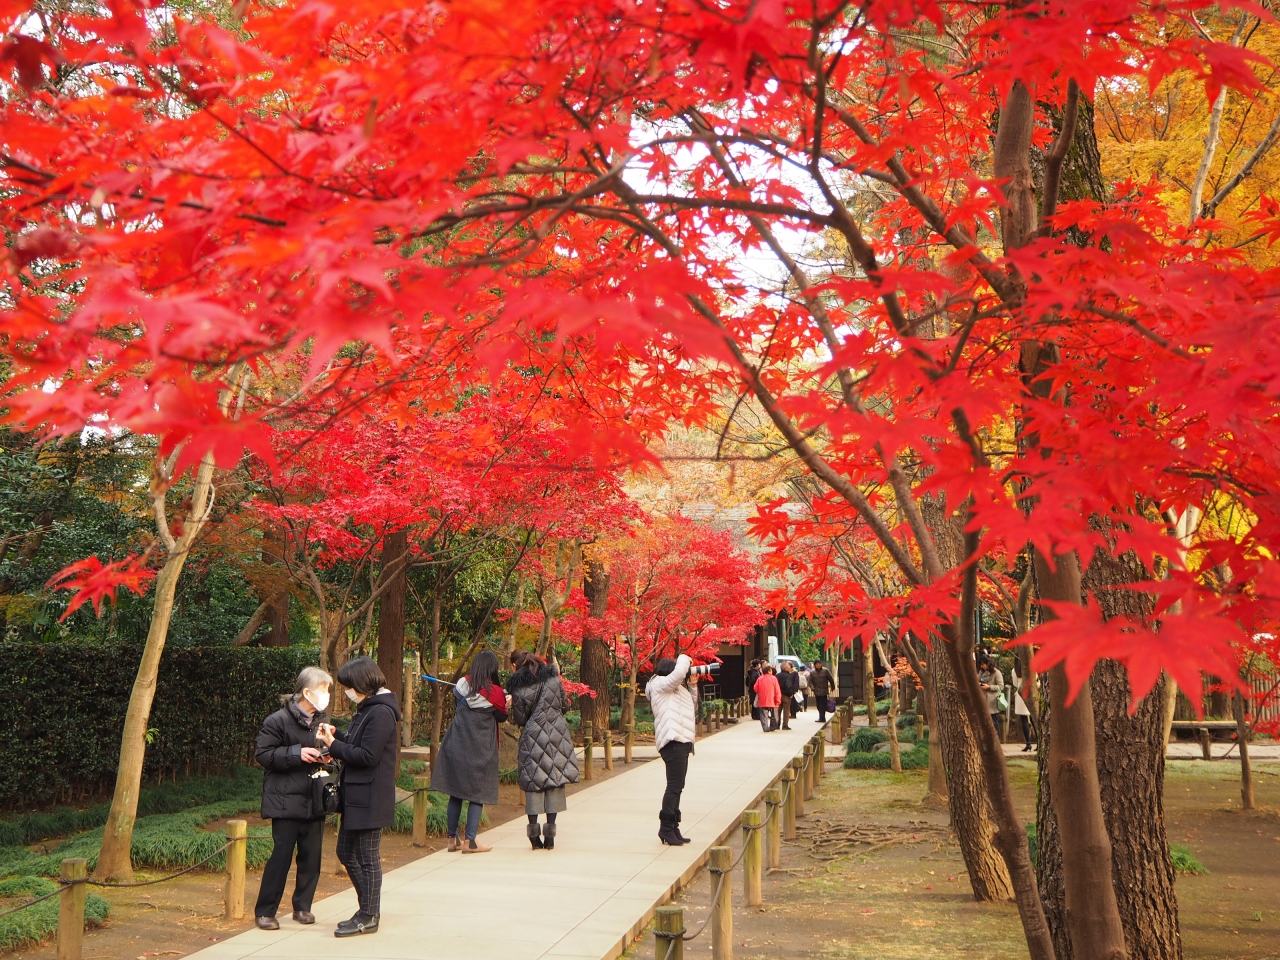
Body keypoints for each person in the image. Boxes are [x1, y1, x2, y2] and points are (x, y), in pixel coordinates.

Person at [314, 657, 401, 939]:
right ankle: (368, 908)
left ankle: (369, 915)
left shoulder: (381, 712)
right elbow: (358, 744)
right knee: (346, 853)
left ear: (363, 683)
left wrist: (333, 745)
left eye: (349, 687)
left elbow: (367, 756)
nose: (347, 692)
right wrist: (337, 736)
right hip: (358, 794)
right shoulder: (368, 709)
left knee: (366, 857)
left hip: (371, 795)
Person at [253, 666, 333, 931]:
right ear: (307, 692)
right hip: (285, 800)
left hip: (315, 798)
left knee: (312, 856)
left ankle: (303, 906)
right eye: (324, 690)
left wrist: (329, 756)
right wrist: (296, 753)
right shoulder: (276, 721)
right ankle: (266, 911)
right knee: (281, 857)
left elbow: (328, 753)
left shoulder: (322, 721)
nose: (327, 695)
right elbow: (264, 755)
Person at [430, 649, 509, 854]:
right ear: (492, 669)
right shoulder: (496, 694)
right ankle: (470, 841)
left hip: (456, 744)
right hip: (480, 748)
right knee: (477, 794)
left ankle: (452, 839)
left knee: (456, 793)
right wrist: (505, 704)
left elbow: (460, 705)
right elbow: (501, 718)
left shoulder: (461, 685)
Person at [507, 649, 578, 850]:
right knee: (554, 781)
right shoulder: (553, 680)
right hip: (557, 734)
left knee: (534, 782)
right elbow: (565, 706)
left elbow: (520, 720)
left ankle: (533, 835)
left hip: (532, 737)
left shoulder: (519, 689)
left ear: (515, 666)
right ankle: (551, 835)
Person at [646, 654, 697, 845]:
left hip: (682, 741)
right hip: (672, 740)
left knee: (678, 787)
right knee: (674, 787)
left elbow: (691, 706)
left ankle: (673, 827)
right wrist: (684, 658)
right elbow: (677, 675)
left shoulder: (676, 689)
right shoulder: (659, 684)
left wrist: (692, 686)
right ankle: (665, 828)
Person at [977, 653, 1005, 741]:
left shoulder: (996, 673)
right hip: (983, 698)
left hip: (992, 700)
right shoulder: (981, 672)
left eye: (983, 664)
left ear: (987, 663)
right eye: (980, 665)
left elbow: (1001, 686)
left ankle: (997, 740)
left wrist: (989, 687)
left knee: (994, 721)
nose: (982, 666)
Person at [1011, 657, 1035, 752]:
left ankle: (1028, 743)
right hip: (1031, 694)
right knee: (1034, 718)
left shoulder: (1014, 671)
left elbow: (1015, 684)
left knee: (1024, 719)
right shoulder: (1032, 668)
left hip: (1021, 695)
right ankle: (1038, 742)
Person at [753, 664, 782, 732]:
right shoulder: (774, 678)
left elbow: (755, 688)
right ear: (769, 671)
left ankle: (765, 728)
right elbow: (777, 690)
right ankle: (772, 727)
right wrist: (778, 700)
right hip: (773, 700)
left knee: (763, 715)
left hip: (762, 700)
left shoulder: (759, 678)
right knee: (774, 716)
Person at [777, 660, 800, 730]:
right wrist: (790, 693)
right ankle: (785, 725)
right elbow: (788, 685)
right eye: (788, 667)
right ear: (785, 668)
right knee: (786, 710)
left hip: (778, 695)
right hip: (786, 695)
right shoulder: (788, 676)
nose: (790, 668)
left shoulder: (777, 675)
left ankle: (777, 724)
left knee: (778, 710)